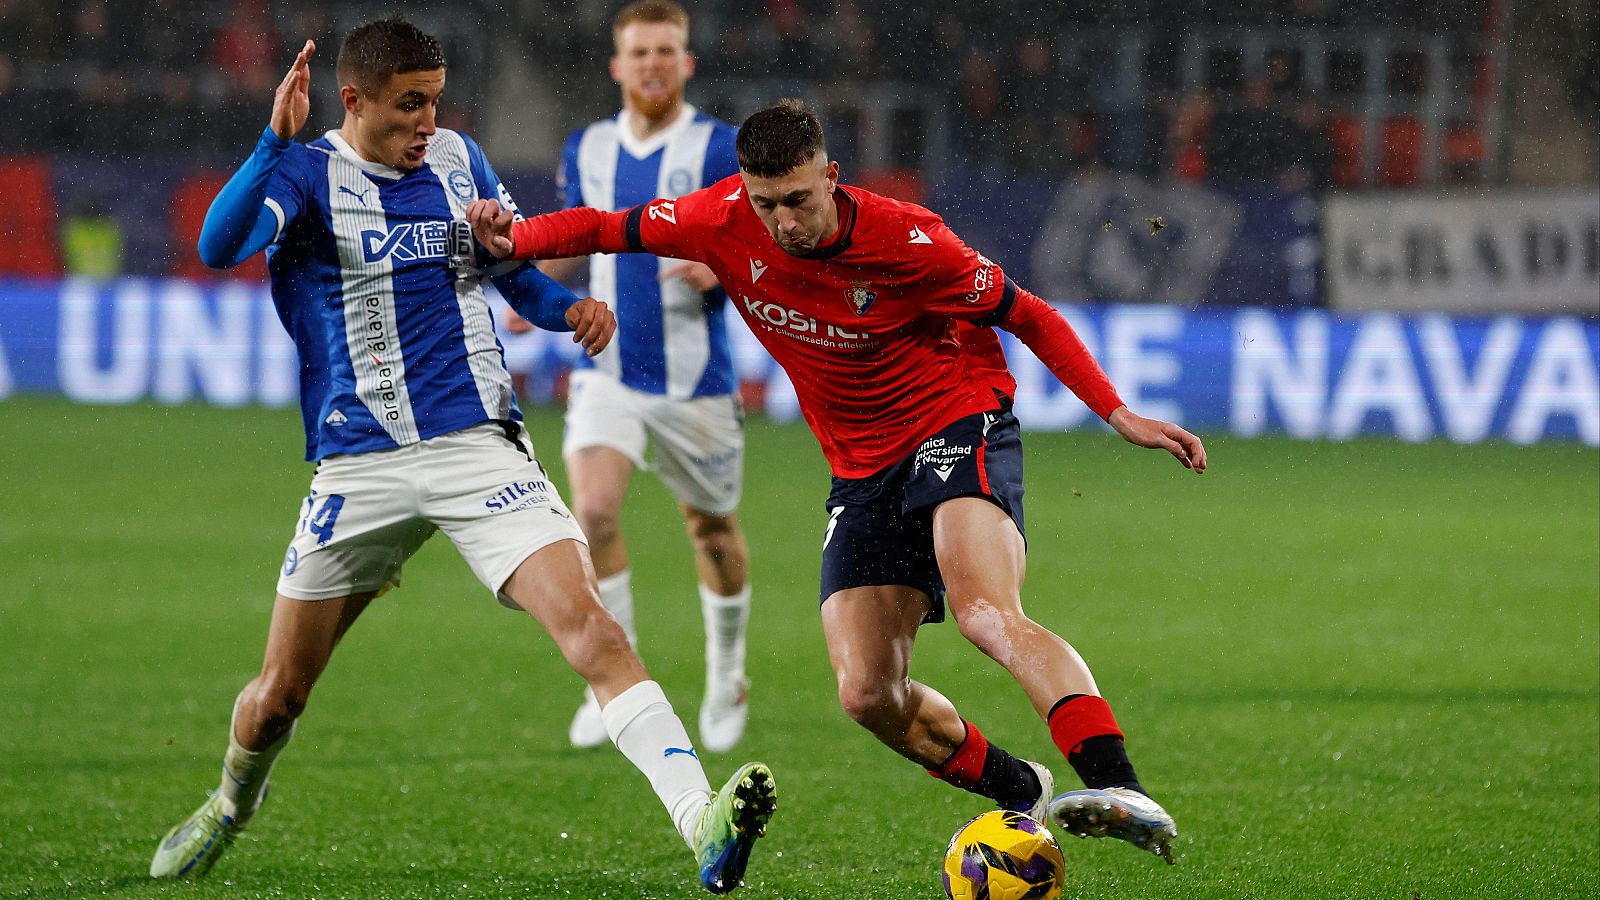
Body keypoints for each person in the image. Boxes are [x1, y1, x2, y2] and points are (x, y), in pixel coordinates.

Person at [470, 99, 1208, 864]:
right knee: (866, 692)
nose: (783, 222)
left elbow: (1029, 315)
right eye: (766, 204)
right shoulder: (719, 217)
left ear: (831, 176)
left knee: (986, 614)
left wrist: (1117, 412)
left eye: (797, 199)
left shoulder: (910, 240)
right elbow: (603, 227)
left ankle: (1122, 788)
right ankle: (1024, 790)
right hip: (860, 469)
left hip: (955, 418)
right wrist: (516, 238)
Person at [147, 22, 775, 895]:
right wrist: (270, 142)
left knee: (593, 630)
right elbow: (220, 247)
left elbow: (510, 271)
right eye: (410, 104)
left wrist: (566, 311)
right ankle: (229, 804)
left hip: (479, 448)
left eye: (436, 101)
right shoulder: (306, 173)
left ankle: (701, 818)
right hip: (360, 464)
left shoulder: (457, 159)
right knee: (280, 694)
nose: (428, 122)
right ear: (354, 100)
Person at [505, 0, 754, 754]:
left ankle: (727, 673)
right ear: (618, 65)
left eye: (665, 50)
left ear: (687, 62)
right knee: (594, 513)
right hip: (608, 368)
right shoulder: (587, 147)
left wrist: (724, 268)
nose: (653, 63)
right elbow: (578, 237)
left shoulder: (720, 148)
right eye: (640, 51)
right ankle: (616, 675)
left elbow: (764, 240)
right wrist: (533, 296)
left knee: (712, 533)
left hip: (696, 381)